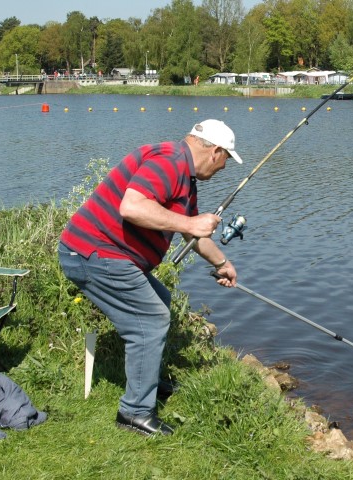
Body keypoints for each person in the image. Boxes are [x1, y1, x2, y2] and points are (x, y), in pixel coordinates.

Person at [58, 119, 241, 436]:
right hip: (93, 254)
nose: (224, 168)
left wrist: (222, 262)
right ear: (216, 152)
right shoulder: (169, 162)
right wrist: (189, 224)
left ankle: (147, 383)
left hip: (106, 255)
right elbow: (131, 207)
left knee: (161, 301)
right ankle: (134, 413)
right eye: (226, 160)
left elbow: (193, 233)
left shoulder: (183, 174)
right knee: (151, 318)